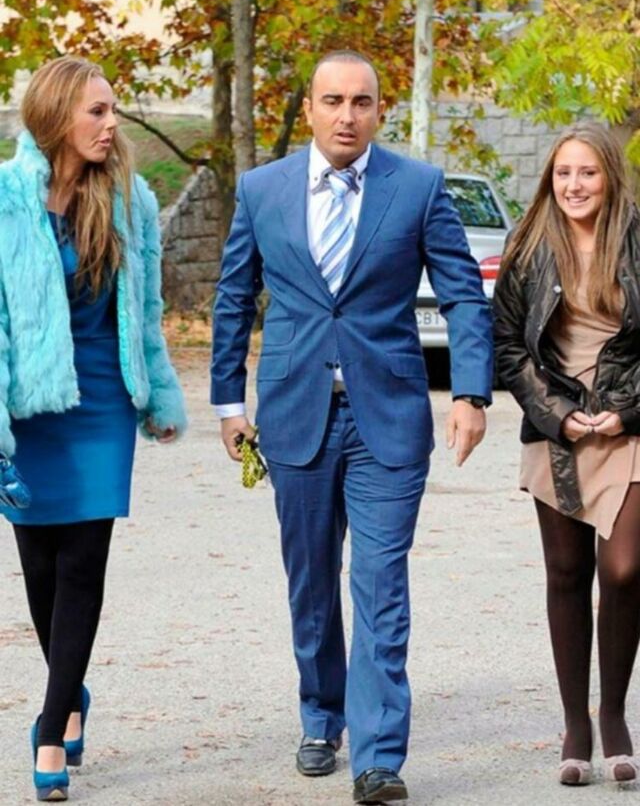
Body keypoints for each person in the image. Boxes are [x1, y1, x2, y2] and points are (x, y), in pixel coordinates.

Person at [211, 49, 492, 804]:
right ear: (309, 109)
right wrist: (228, 403)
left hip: (387, 419)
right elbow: (234, 297)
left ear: (378, 110)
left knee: (380, 583)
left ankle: (378, 756)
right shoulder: (262, 189)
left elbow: (464, 295)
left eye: (361, 102)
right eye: (332, 101)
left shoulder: (419, 187)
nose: (347, 115)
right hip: (294, 414)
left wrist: (471, 393)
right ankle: (320, 714)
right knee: (311, 582)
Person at [0, 56, 187, 802]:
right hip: (29, 406)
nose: (112, 125)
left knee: (82, 564)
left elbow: (146, 309)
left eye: (113, 110)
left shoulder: (130, 199)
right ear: (56, 117)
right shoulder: (6, 199)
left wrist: (159, 393)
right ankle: (70, 688)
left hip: (104, 402)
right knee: (40, 571)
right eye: (97, 112)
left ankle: (51, 729)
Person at [494, 122, 640, 786]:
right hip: (557, 428)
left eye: (587, 172)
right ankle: (576, 724)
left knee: (625, 569)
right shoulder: (528, 244)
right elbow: (507, 347)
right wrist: (555, 414)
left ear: (609, 176)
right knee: (565, 571)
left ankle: (615, 711)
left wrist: (629, 410)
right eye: (563, 173)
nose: (574, 185)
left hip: (627, 425)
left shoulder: (635, 237)